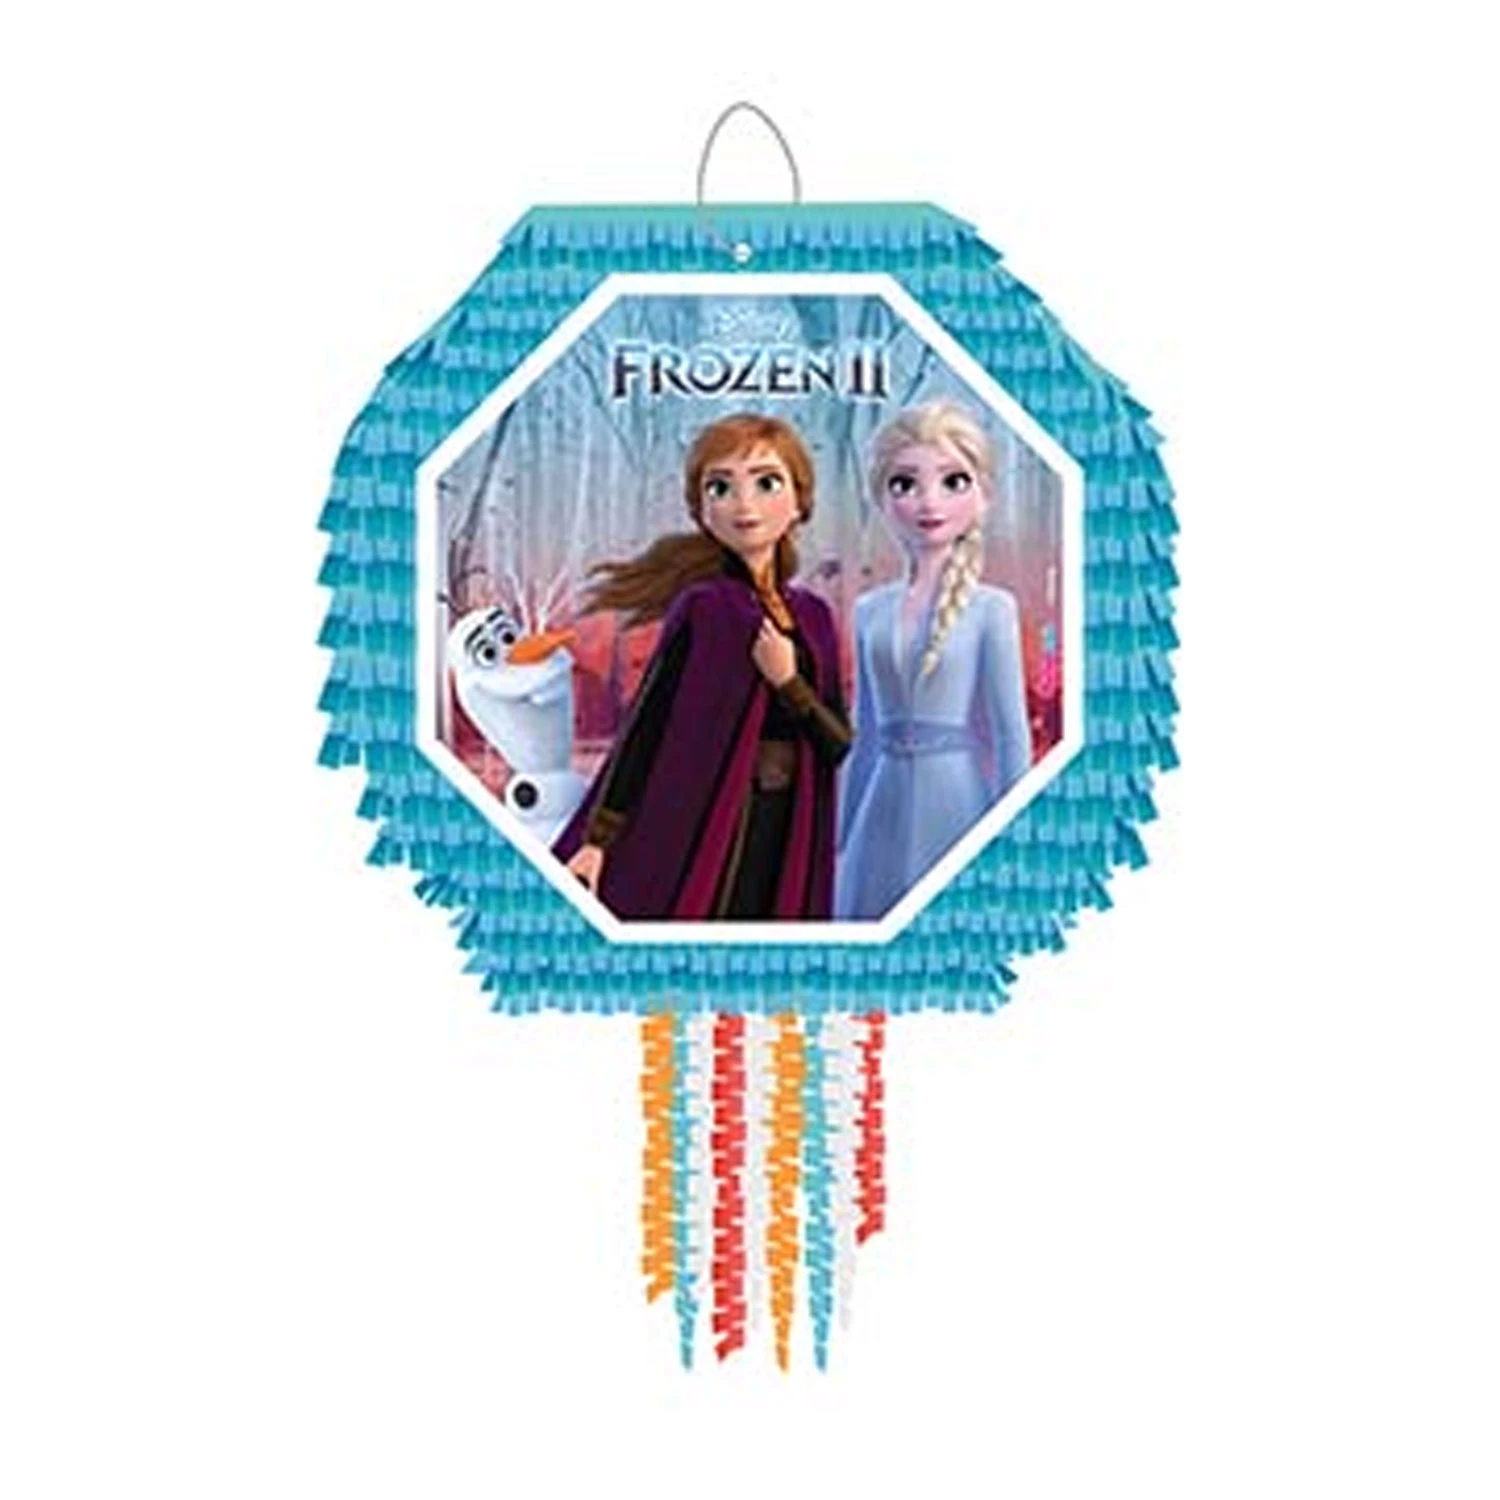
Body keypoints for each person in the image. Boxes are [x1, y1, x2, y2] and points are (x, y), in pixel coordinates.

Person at [554, 413, 851, 920]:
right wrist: (598, 839)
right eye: (721, 487)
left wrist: (788, 682)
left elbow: (837, 743)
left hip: (790, 824)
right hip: (709, 816)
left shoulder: (814, 616)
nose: (744, 504)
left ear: (799, 502)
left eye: (766, 483)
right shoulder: (706, 608)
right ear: (701, 511)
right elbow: (647, 727)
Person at [836, 401, 1031, 920]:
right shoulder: (868, 610)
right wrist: (839, 833)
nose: (929, 502)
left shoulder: (992, 609)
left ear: (983, 496)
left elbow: (1012, 736)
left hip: (957, 801)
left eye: (953, 482)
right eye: (905, 484)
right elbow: (864, 731)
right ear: (881, 497)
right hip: (881, 806)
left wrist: (1016, 840)